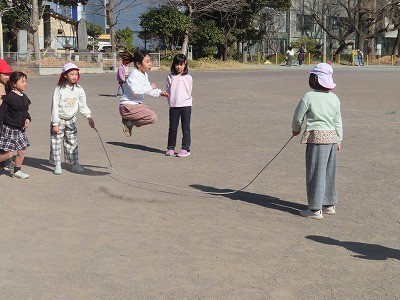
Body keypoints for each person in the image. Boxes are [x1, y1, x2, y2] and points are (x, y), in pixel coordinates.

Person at [291, 63, 343, 220]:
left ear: (314, 79)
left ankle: (314, 209)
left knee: (316, 172)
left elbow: (297, 116)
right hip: (332, 139)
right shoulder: (334, 98)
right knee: (329, 172)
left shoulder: (308, 96)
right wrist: (339, 139)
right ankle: (329, 204)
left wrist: (296, 129)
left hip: (316, 139)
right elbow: (338, 121)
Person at [50, 63, 95, 175]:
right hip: (59, 119)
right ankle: (57, 165)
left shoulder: (79, 89)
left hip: (71, 120)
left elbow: (83, 105)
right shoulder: (59, 89)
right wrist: (55, 123)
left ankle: (75, 164)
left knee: (72, 142)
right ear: (65, 75)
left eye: (76, 74)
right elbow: (54, 106)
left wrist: (88, 117)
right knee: (56, 142)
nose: (75, 76)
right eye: (72, 74)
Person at [119, 49, 168, 137]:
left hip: (136, 106)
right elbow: (135, 90)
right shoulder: (134, 74)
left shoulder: (144, 74)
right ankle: (128, 122)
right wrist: (150, 87)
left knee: (153, 118)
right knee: (151, 117)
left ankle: (128, 122)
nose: (150, 64)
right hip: (127, 106)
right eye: (147, 62)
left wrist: (160, 93)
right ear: (138, 64)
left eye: (150, 61)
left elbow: (148, 90)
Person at [0, 71, 31, 179]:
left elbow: (25, 112)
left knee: (22, 151)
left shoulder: (24, 97)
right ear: (13, 83)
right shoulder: (9, 97)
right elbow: (1, 113)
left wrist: (28, 118)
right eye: (22, 82)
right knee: (9, 154)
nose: (25, 84)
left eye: (26, 81)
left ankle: (17, 170)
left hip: (20, 130)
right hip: (9, 129)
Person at [165, 54, 193, 157]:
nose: (179, 67)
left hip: (186, 105)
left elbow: (189, 90)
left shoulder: (188, 77)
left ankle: (185, 148)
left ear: (185, 64)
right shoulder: (170, 76)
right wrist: (171, 102)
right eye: (177, 64)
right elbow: (168, 90)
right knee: (172, 127)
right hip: (174, 105)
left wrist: (184, 100)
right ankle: (170, 148)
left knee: (185, 127)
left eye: (181, 64)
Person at [0, 59, 14, 171]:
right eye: (4, 74)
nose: (7, 76)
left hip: (6, 119)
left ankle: (7, 161)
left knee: (6, 141)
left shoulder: (8, 86)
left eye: (8, 74)